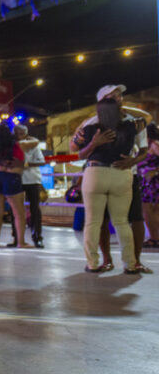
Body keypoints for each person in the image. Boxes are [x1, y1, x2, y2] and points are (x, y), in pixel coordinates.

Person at [71, 98, 148, 273]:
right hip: (121, 173)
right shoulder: (133, 126)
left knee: (92, 222)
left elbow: (79, 154)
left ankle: (93, 263)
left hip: (95, 174)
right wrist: (133, 160)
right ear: (120, 110)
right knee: (122, 222)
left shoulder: (89, 129)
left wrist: (93, 144)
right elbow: (147, 118)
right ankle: (130, 264)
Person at [0, 124, 31, 249]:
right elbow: (22, 163)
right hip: (12, 178)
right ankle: (21, 242)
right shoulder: (16, 146)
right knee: (19, 213)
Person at [10, 124, 46, 248]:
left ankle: (37, 237)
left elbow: (42, 161)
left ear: (26, 134)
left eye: (21, 134)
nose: (19, 136)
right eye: (16, 133)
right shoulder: (11, 145)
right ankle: (16, 238)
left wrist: (24, 164)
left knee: (35, 209)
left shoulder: (33, 145)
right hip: (16, 179)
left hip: (32, 180)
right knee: (14, 210)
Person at [138, 124, 159, 251]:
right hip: (149, 183)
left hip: (152, 183)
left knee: (149, 211)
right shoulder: (148, 145)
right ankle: (155, 237)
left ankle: (154, 238)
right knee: (153, 211)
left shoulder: (154, 144)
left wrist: (154, 172)